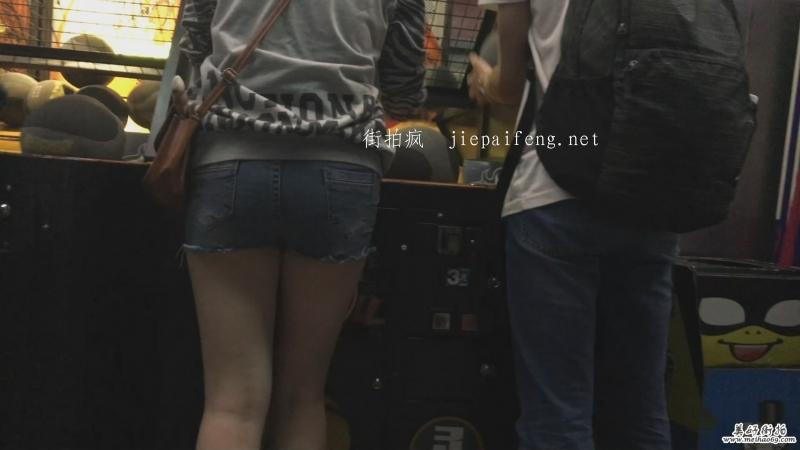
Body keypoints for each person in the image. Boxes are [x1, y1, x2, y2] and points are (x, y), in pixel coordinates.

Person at [175, 0, 426, 449]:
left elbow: (195, 41)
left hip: (232, 155)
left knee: (231, 403)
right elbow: (404, 88)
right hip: (341, 165)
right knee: (303, 396)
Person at [469, 2, 679, 450]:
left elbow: (510, 85)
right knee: (640, 409)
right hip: (654, 196)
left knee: (558, 412)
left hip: (556, 194)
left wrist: (485, 80)